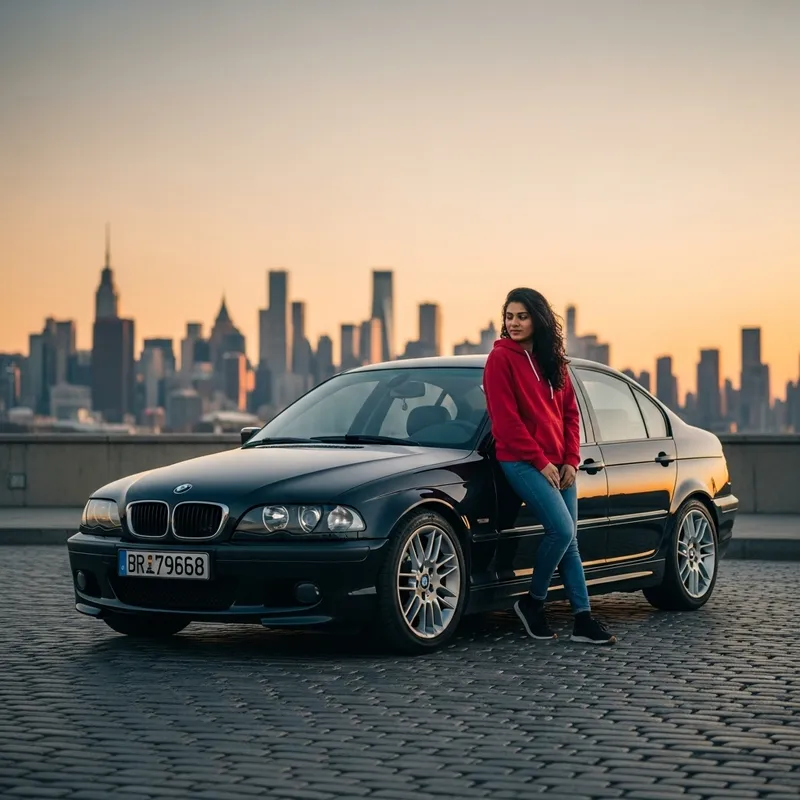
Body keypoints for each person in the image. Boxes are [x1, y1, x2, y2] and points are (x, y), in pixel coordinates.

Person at [483, 287, 616, 645]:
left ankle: (583, 620)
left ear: (537, 319)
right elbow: (506, 421)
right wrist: (541, 462)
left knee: (569, 540)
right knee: (561, 530)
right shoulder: (500, 360)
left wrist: (571, 460)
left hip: (560, 464)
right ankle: (533, 602)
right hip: (522, 461)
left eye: (521, 316)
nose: (513, 323)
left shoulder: (553, 362)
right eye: (509, 316)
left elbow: (571, 415)